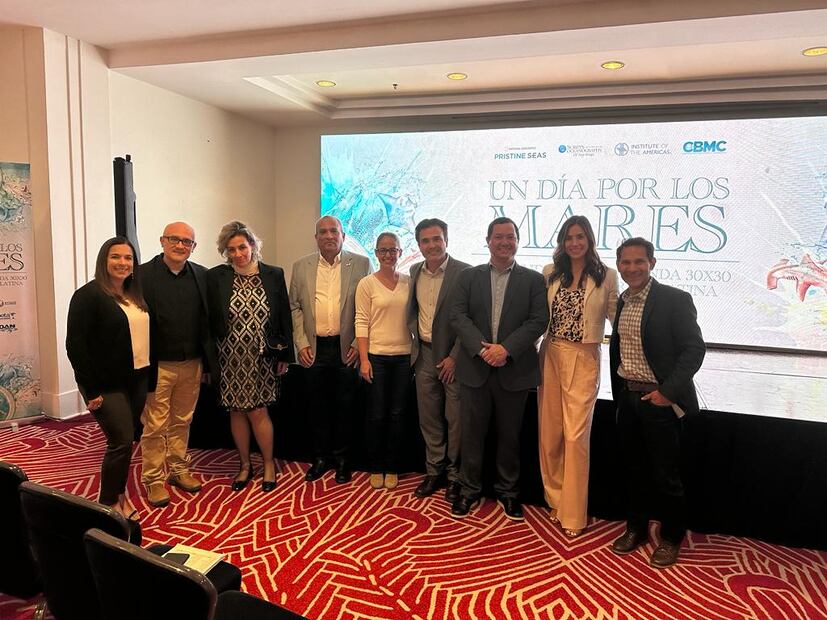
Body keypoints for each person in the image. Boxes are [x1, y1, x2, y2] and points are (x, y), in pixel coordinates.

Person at [609, 237, 705, 568]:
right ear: (618, 265)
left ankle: (671, 537)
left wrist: (667, 393)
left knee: (666, 476)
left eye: (639, 261)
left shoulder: (674, 299)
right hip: (628, 398)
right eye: (626, 262)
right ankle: (635, 529)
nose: (632, 268)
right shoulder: (622, 301)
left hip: (659, 401)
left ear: (652, 262)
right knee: (633, 471)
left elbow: (694, 349)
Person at [449, 217, 548, 520]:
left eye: (510, 237)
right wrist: (483, 350)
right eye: (499, 237)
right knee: (471, 435)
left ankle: (508, 492)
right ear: (488, 241)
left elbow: (538, 321)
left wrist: (506, 350)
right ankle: (469, 490)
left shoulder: (534, 280)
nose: (504, 242)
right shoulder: (468, 277)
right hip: (474, 368)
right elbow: (457, 315)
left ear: (517, 241)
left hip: (514, 370)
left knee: (510, 436)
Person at [538, 216, 618, 537]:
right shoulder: (550, 272)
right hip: (551, 353)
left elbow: (617, 318)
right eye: (569, 237)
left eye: (580, 236)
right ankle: (556, 499)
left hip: (584, 357)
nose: (574, 243)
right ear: (562, 241)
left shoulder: (606, 275)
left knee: (575, 436)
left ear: (589, 240)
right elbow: (538, 316)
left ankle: (573, 513)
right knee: (551, 433)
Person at [66, 237, 149, 521]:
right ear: (104, 260)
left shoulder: (134, 293)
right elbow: (75, 346)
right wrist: (90, 390)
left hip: (136, 379)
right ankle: (109, 501)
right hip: (104, 384)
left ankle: (120, 494)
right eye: (116, 257)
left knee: (127, 440)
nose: (122, 263)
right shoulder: (88, 295)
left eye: (128, 258)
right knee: (121, 441)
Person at [207, 221, 293, 493]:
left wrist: (286, 354)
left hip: (262, 356)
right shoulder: (216, 277)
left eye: (242, 247)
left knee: (258, 410)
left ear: (253, 246)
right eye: (231, 250)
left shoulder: (273, 274)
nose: (237, 254)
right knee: (236, 411)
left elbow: (284, 316)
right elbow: (209, 320)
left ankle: (268, 464)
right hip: (229, 356)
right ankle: (244, 465)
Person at [138, 222, 216, 508]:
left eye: (187, 242)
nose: (180, 245)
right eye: (174, 239)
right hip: (157, 364)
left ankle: (179, 469)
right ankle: (153, 479)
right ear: (162, 241)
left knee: (183, 420)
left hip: (192, 363)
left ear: (193, 247)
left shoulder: (202, 275)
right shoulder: (141, 275)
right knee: (155, 424)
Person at [289, 215, 372, 484]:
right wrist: (301, 342)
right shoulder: (301, 266)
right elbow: (294, 307)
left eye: (333, 231)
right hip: (314, 348)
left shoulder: (361, 264)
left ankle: (343, 460)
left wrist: (356, 344)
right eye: (322, 232)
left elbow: (368, 307)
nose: (328, 236)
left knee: (346, 407)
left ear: (343, 236)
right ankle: (321, 458)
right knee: (317, 406)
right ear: (316, 238)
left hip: (346, 348)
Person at [407, 218, 469, 501]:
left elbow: (470, 319)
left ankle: (455, 476)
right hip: (424, 354)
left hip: (453, 359)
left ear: (446, 240)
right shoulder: (413, 271)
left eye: (436, 239)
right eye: (425, 240)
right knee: (429, 418)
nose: (432, 245)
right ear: (419, 245)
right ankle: (434, 471)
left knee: (455, 420)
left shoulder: (464, 272)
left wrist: (455, 357)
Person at [355, 232, 412, 491]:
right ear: (376, 253)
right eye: (383, 250)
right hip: (376, 357)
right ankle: (376, 466)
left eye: (393, 250)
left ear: (400, 252)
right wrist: (364, 359)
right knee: (376, 414)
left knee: (398, 414)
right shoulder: (366, 284)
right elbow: (361, 321)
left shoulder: (409, 282)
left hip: (404, 358)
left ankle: (393, 466)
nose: (388, 254)